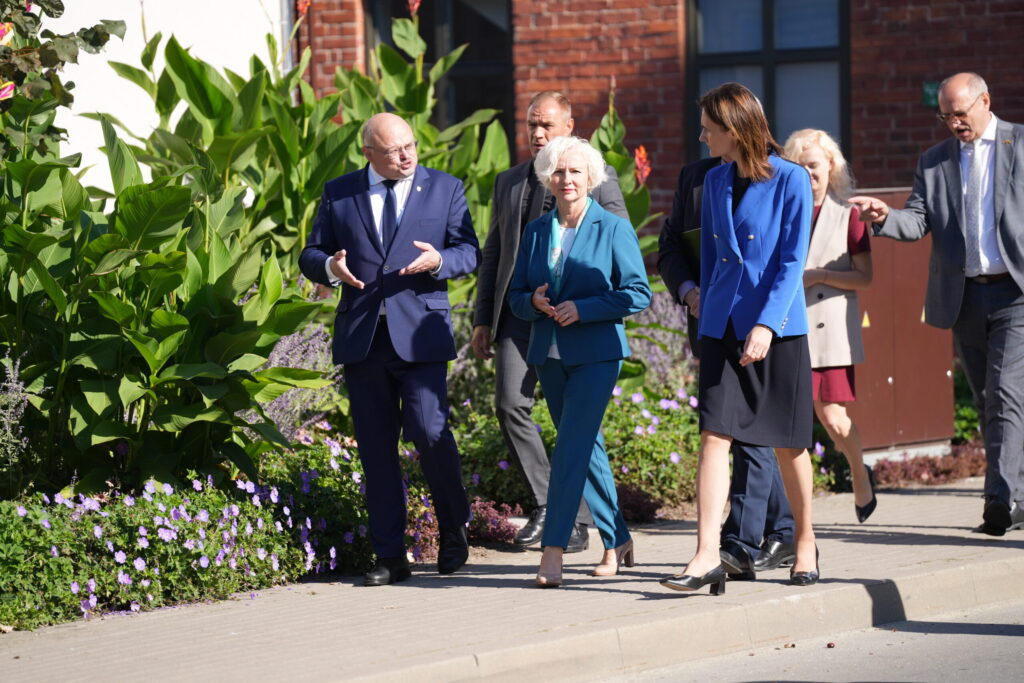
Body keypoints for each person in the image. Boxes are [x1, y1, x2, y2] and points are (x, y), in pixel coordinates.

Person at [299, 112, 480, 585]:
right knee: (376, 450)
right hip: (363, 338)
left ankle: (454, 526)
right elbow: (312, 252)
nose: (406, 156)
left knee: (428, 431)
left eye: (411, 146)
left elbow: (469, 251)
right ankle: (390, 555)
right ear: (369, 154)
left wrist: (440, 259)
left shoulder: (444, 188)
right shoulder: (341, 192)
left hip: (420, 334)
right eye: (394, 151)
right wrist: (329, 269)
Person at [850, 72, 1024, 536]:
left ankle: (999, 500)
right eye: (945, 116)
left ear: (985, 101)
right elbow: (917, 222)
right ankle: (1016, 493)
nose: (953, 123)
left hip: (1016, 291)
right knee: (989, 398)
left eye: (960, 114)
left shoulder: (1020, 145)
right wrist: (885, 217)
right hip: (964, 294)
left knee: (1006, 393)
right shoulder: (934, 161)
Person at [661, 82, 816, 595]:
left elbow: (792, 262)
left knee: (788, 444)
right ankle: (706, 554)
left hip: (778, 330)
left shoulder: (793, 179)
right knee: (714, 435)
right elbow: (710, 258)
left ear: (733, 129)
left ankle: (805, 542)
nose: (701, 136)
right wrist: (697, 298)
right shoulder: (717, 180)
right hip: (720, 328)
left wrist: (766, 325)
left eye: (708, 128)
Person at [471, 91, 628, 553]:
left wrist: (585, 303)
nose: (537, 134)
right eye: (531, 125)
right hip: (521, 316)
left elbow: (617, 241)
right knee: (509, 404)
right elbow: (494, 253)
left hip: (575, 324)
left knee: (576, 426)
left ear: (570, 126)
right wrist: (484, 317)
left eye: (546, 126)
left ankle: (581, 521)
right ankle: (551, 507)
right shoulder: (509, 181)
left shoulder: (596, 175)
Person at [507, 135, 651, 587]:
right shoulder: (535, 232)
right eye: (558, 171)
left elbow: (637, 292)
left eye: (575, 171)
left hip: (596, 355)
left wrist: (584, 308)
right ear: (547, 178)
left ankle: (553, 552)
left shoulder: (612, 228)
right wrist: (532, 301)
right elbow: (513, 298)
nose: (566, 179)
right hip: (548, 355)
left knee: (569, 447)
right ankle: (618, 539)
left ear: (590, 178)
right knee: (587, 448)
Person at [783, 129, 877, 523]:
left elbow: (865, 277)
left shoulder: (849, 215)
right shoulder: (784, 211)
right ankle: (790, 515)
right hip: (787, 326)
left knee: (833, 418)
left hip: (829, 328)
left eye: (814, 165)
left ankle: (859, 470)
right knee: (787, 423)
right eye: (800, 167)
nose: (808, 174)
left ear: (831, 166)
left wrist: (820, 274)